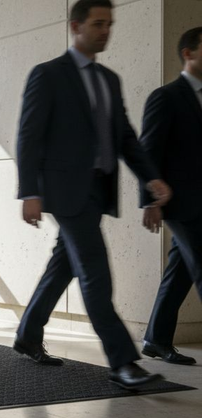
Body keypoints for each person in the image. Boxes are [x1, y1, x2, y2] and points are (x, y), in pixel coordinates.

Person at [13, 0, 173, 389]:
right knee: (96, 274)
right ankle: (123, 363)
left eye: (109, 24)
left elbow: (125, 139)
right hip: (66, 192)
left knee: (63, 266)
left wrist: (151, 179)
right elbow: (29, 137)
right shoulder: (48, 75)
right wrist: (29, 191)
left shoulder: (109, 79)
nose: (106, 31)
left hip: (97, 190)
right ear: (76, 26)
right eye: (98, 24)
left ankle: (28, 334)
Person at [139, 26, 202, 367]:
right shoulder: (166, 97)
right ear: (188, 53)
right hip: (179, 202)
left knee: (179, 271)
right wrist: (150, 200)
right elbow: (148, 150)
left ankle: (155, 338)